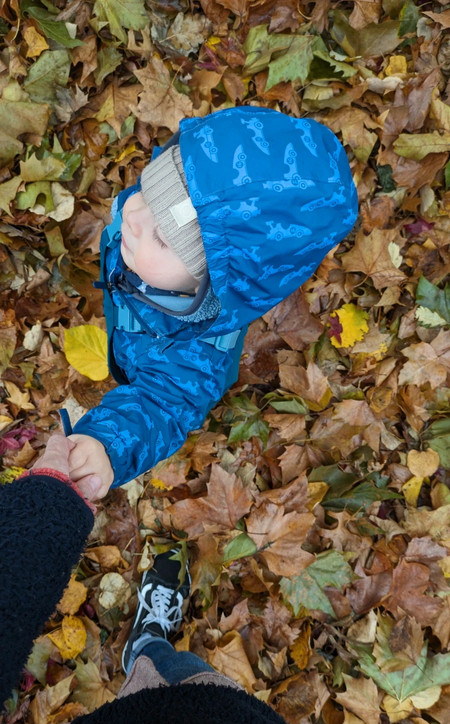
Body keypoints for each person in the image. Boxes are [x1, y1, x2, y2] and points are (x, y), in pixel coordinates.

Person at [0, 434, 343, 724]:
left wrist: (40, 513)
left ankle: (146, 644)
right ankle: (149, 643)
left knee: (167, 674)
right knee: (185, 677)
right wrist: (41, 512)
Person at [66, 106, 358, 499]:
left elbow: (164, 403)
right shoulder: (148, 243)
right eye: (148, 189)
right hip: (137, 302)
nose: (132, 215)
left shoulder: (196, 351)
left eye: (163, 238)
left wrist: (107, 446)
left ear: (215, 284)